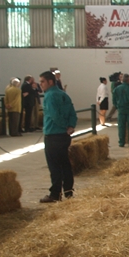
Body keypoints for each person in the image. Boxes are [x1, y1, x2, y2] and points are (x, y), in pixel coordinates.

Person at [38, 70, 77, 203]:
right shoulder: (63, 94)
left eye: (42, 81)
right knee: (65, 164)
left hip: (53, 134)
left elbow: (54, 115)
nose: (40, 84)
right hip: (64, 136)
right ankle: (68, 192)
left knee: (54, 166)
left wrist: (64, 126)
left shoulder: (49, 96)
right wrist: (70, 126)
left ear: (50, 81)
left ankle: (55, 194)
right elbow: (72, 111)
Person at [112, 73, 129, 148]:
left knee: (121, 126)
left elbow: (114, 101)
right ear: (128, 80)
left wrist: (118, 107)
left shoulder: (116, 89)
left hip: (121, 109)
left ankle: (121, 142)